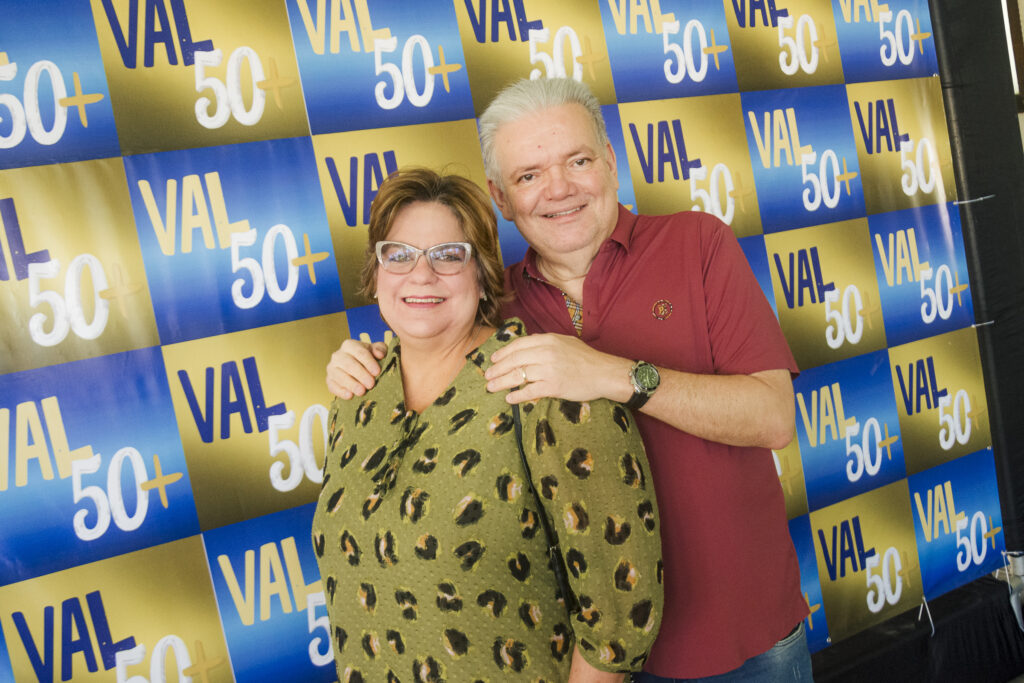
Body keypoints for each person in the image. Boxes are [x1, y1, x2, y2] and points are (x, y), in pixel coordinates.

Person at [327, 79, 811, 681]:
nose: (558, 189)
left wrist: (612, 375)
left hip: (741, 637)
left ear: (609, 164)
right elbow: (427, 331)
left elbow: (773, 417)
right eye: (529, 176)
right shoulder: (493, 303)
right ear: (502, 198)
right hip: (584, 652)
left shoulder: (697, 243)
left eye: (577, 161)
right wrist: (367, 362)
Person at [312, 167, 664, 683]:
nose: (421, 275)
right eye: (399, 254)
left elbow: (621, 616)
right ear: (376, 271)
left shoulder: (548, 388)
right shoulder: (355, 392)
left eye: (449, 255)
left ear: (482, 276)